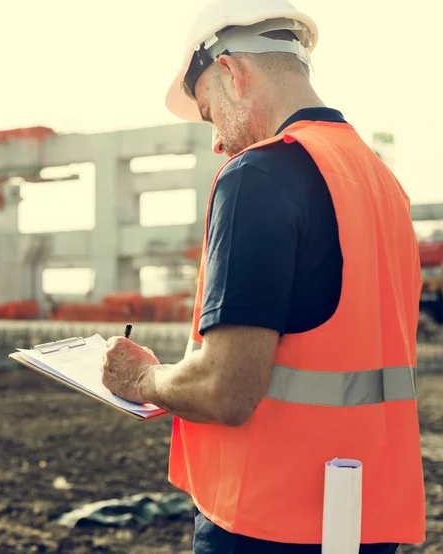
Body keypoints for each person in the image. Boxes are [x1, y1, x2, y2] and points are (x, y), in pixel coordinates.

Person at [101, 0, 426, 552]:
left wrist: (141, 381)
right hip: (365, 518)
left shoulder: (258, 174)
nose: (217, 143)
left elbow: (227, 390)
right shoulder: (380, 182)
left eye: (209, 114)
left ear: (231, 72)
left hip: (268, 521)